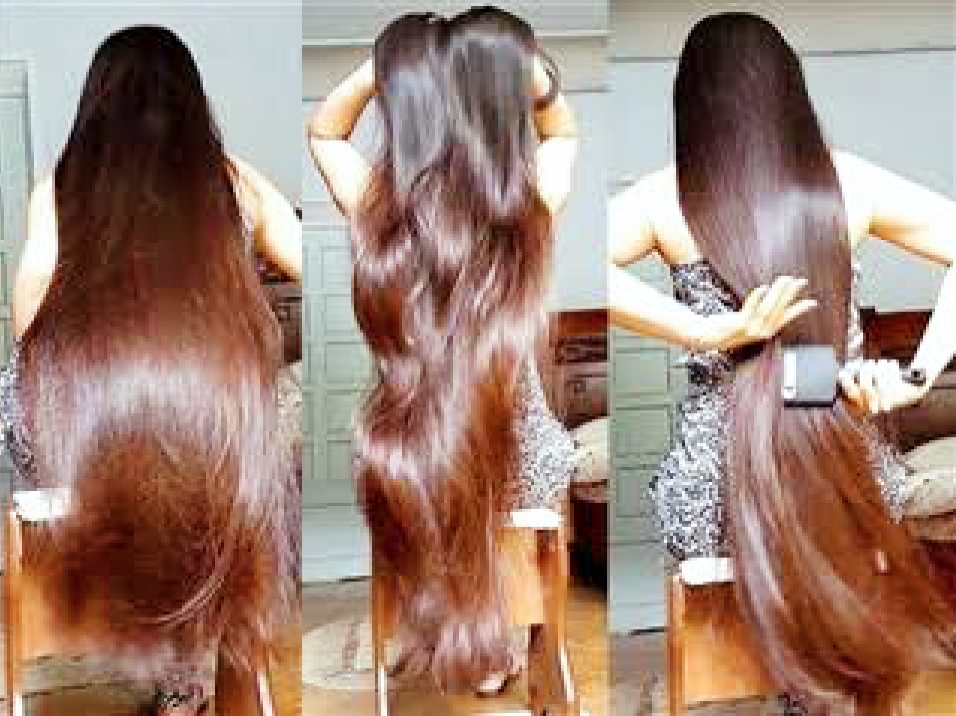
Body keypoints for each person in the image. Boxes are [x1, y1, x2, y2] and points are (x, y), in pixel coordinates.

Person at [608, 12, 956, 713]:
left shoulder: (663, 197)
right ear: (790, 92)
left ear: (693, 102)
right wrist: (916, 376)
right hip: (844, 468)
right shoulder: (846, 183)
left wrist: (708, 332)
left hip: (711, 494)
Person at [0, 25, 301, 716]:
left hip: (89, 440)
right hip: (209, 437)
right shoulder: (230, 184)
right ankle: (190, 666)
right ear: (192, 101)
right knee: (260, 418)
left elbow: (29, 327)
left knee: (19, 395)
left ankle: (137, 630)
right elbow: (311, 258)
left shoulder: (60, 190)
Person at [307, 6, 580, 694]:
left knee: (412, 465)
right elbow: (563, 132)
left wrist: (384, 68)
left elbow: (325, 131)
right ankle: (498, 639)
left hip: (410, 453)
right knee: (514, 464)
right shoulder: (527, 211)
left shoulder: (380, 211)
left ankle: (441, 624)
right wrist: (532, 77)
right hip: (522, 452)